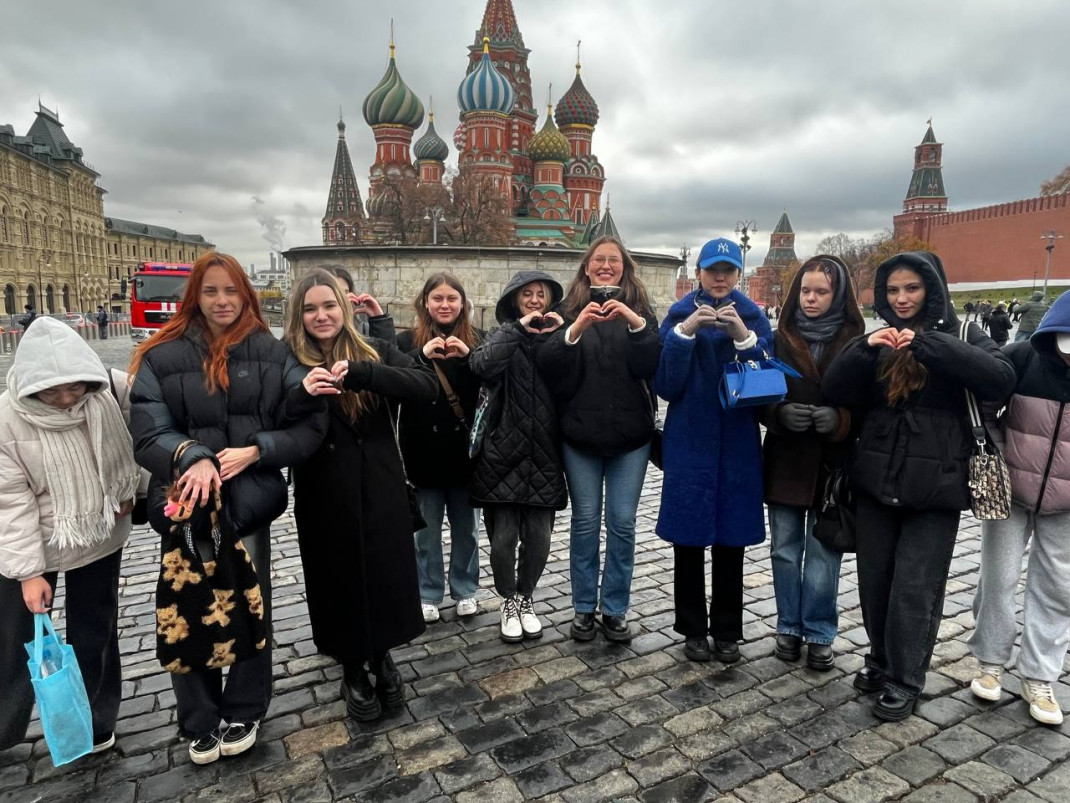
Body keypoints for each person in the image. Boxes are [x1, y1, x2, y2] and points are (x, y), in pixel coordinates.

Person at [129, 253, 327, 764]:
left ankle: (245, 706)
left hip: (247, 502)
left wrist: (260, 447)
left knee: (250, 604)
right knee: (186, 608)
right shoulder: (161, 354)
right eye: (211, 291)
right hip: (187, 504)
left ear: (246, 295)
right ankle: (199, 717)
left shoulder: (272, 351)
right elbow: (148, 430)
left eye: (231, 291)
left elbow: (302, 422)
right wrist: (190, 456)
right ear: (195, 296)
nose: (222, 301)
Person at [823, 251, 1015, 721]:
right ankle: (879, 658)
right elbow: (835, 390)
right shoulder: (878, 341)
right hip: (877, 480)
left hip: (936, 486)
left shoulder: (963, 335)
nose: (902, 298)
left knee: (915, 588)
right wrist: (865, 350)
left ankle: (905, 678)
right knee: (875, 581)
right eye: (893, 290)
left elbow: (1000, 379)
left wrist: (929, 345)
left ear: (931, 288)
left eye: (911, 288)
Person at [285, 269, 437, 721]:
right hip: (323, 488)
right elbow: (272, 413)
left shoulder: (375, 350)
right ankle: (352, 664)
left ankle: (382, 655)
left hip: (379, 481)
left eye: (329, 305)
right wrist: (302, 393)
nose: (321, 315)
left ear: (344, 307)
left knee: (384, 573)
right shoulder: (287, 358)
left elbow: (425, 386)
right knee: (336, 577)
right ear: (298, 315)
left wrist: (368, 374)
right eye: (310, 308)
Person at [0, 318, 140, 753]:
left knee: (95, 631)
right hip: (36, 537)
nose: (65, 399)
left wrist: (133, 488)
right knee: (12, 638)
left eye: (75, 387)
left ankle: (96, 721)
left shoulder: (111, 391)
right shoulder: (7, 418)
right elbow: (10, 500)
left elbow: (146, 438)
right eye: (51, 392)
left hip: (99, 532)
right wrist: (28, 573)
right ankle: (3, 726)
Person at [653, 238, 773, 664]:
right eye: (712, 270)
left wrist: (744, 338)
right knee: (688, 539)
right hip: (690, 441)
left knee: (730, 541)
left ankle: (726, 630)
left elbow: (764, 391)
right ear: (699, 273)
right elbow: (666, 386)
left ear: (738, 274)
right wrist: (684, 335)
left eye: (728, 270)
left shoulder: (754, 317)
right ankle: (691, 629)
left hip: (737, 444)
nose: (720, 278)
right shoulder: (678, 316)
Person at [537, 236, 660, 643]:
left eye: (614, 261)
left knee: (622, 524)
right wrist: (575, 329)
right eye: (598, 260)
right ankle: (583, 607)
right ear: (586, 267)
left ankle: (615, 608)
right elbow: (549, 366)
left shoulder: (640, 309)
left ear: (624, 268)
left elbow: (651, 364)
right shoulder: (567, 309)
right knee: (585, 523)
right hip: (580, 436)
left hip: (631, 437)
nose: (606, 266)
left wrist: (634, 323)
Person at [968, 291, 1070, 726]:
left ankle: (1040, 676)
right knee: (998, 577)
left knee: (1059, 588)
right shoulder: (1023, 357)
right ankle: (990, 662)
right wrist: (997, 450)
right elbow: (983, 405)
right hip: (1010, 490)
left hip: (1067, 503)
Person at [763, 256, 865, 670]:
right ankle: (788, 625)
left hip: (831, 464)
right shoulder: (778, 339)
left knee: (824, 552)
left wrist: (842, 420)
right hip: (786, 459)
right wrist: (777, 413)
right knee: (784, 550)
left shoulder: (857, 342)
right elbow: (759, 392)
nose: (811, 298)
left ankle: (820, 630)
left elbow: (871, 404)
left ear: (837, 295)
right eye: (805, 290)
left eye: (821, 291)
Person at [469, 271, 569, 642]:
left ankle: (526, 597)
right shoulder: (500, 335)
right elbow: (482, 366)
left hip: (545, 454)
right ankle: (507, 599)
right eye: (527, 294)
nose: (534, 300)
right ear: (514, 300)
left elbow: (572, 372)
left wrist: (564, 332)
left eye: (540, 294)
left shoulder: (558, 336)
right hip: (502, 454)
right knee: (502, 541)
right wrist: (517, 330)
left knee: (540, 539)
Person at [397, 273, 484, 623]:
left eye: (451, 298)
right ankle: (428, 592)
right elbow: (395, 378)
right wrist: (420, 356)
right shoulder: (407, 341)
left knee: (468, 531)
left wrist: (468, 358)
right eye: (438, 298)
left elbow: (489, 383)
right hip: (423, 453)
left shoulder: (478, 340)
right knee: (425, 532)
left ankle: (465, 589)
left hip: (465, 455)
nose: (445, 305)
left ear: (462, 303)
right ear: (426, 303)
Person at [329, 267, 396, 340]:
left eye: (346, 293)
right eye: (337, 294)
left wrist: (379, 321)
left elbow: (386, 347)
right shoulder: (322, 328)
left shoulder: (362, 329)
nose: (346, 299)